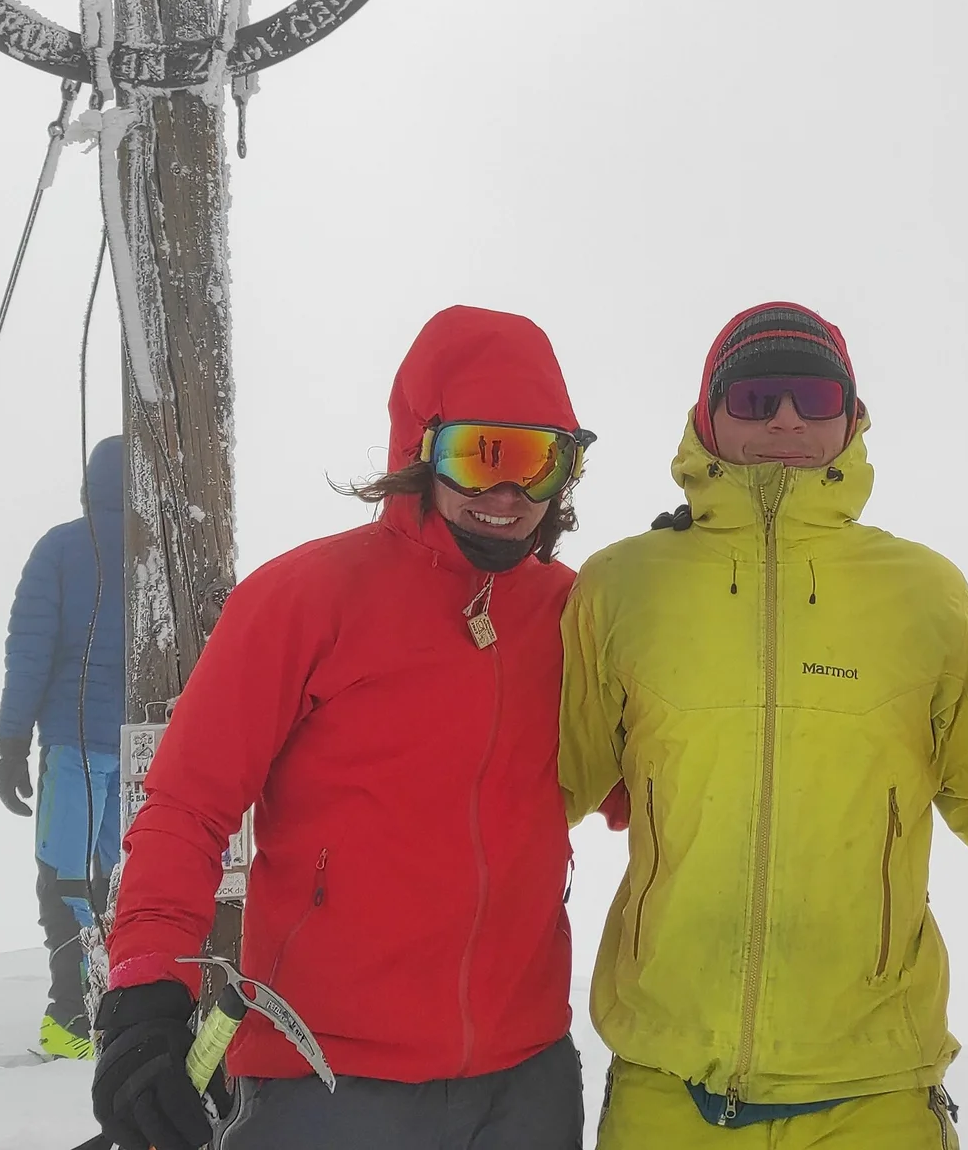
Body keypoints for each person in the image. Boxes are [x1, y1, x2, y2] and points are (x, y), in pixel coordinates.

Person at [87, 306, 596, 1150]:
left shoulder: (575, 615)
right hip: (326, 1085)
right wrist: (144, 987)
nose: (508, 493)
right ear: (418, 447)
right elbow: (188, 805)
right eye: (481, 455)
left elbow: (649, 785)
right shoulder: (306, 599)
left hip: (525, 1082)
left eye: (541, 460)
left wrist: (686, 598)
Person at [559, 302, 968, 1148]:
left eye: (812, 397)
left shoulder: (925, 594)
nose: (785, 419)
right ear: (708, 416)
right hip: (668, 1086)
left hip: (876, 1094)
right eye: (754, 398)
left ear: (851, 418)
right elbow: (544, 786)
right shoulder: (624, 587)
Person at [0, 433, 127, 1060]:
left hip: (71, 749)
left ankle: (71, 1024)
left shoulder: (58, 550)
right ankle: (125, 1016)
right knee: (124, 885)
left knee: (66, 884)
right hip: (140, 759)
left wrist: (11, 742)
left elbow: (30, 653)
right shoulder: (161, 555)